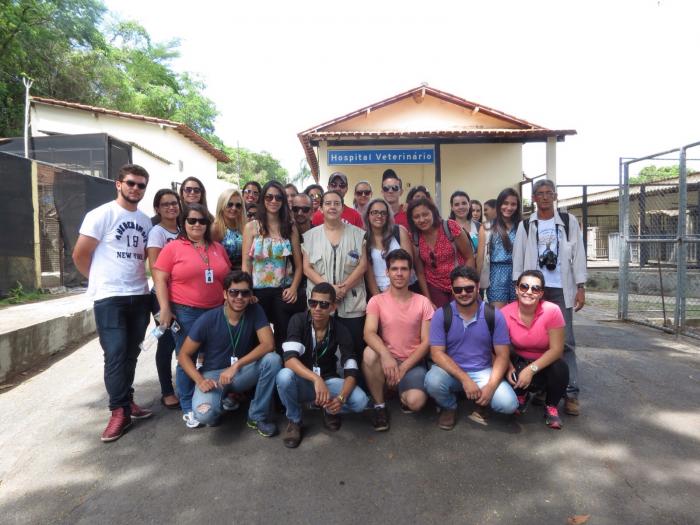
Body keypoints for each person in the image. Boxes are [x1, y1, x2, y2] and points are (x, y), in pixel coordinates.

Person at [72, 164, 153, 442]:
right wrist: (100, 281)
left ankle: (127, 400)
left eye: (141, 185)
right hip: (110, 298)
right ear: (119, 183)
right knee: (116, 353)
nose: (136, 189)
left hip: (139, 294)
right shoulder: (101, 215)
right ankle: (118, 411)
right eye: (131, 183)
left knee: (131, 353)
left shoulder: (144, 221)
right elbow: (80, 255)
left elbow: (143, 257)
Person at [153, 203, 231, 428]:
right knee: (186, 357)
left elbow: (225, 278)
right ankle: (188, 405)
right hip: (186, 311)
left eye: (202, 221)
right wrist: (165, 309)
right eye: (192, 221)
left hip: (217, 310)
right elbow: (160, 279)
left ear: (208, 224)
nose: (197, 225)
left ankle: (213, 397)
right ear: (183, 223)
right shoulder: (173, 248)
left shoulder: (217, 248)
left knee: (215, 356)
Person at [512, 179, 586, 416]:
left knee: (566, 342)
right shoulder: (527, 225)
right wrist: (520, 288)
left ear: (555, 196)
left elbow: (578, 254)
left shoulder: (567, 221)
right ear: (533, 198)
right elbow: (518, 257)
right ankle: (544, 387)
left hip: (561, 288)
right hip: (535, 291)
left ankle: (571, 393)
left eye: (548, 193)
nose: (544, 197)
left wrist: (580, 286)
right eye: (539, 193)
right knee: (539, 340)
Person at [178, 271, 281, 435]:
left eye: (245, 293)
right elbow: (183, 355)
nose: (239, 297)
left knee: (273, 359)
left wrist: (237, 365)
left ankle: (257, 415)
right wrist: (200, 380)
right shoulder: (208, 319)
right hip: (213, 376)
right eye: (234, 292)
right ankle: (222, 400)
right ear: (225, 294)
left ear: (251, 295)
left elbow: (268, 344)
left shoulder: (255, 310)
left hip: (240, 372)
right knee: (205, 416)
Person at [424, 266, 518, 430]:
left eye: (469, 288)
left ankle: (481, 398)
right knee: (432, 381)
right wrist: (465, 379)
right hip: (452, 371)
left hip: (483, 371)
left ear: (477, 287)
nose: (464, 293)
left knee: (509, 404)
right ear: (452, 290)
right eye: (458, 289)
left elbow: (503, 355)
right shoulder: (441, 314)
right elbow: (436, 353)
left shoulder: (493, 314)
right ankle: (449, 406)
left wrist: (490, 386)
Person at [276, 283, 369, 448]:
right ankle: (295, 420)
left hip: (328, 382)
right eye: (313, 303)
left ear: (333, 307)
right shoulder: (298, 321)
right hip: (304, 380)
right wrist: (315, 379)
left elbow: (351, 369)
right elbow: (289, 359)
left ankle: (328, 408)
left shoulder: (341, 329)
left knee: (361, 401)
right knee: (284, 376)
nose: (317, 308)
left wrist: (340, 398)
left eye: (324, 304)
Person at [363, 249, 434, 431]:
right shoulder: (376, 301)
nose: (399, 273)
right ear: (387, 272)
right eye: (394, 269)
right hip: (387, 361)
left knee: (416, 403)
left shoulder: (423, 302)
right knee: (369, 353)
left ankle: (399, 391)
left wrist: (403, 368)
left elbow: (427, 342)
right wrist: (386, 356)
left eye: (404, 269)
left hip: (412, 362)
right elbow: (369, 333)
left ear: (411, 272)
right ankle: (379, 406)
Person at [302, 190, 368, 358]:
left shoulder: (358, 234)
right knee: (322, 350)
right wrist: (330, 290)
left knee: (354, 349)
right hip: (321, 304)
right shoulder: (310, 237)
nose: (332, 207)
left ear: (342, 208)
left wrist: (343, 289)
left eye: (337, 203)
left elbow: (362, 266)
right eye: (328, 203)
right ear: (321, 209)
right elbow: (307, 268)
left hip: (351, 302)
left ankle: (355, 381)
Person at [501, 270, 569, 429]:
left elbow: (557, 350)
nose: (529, 292)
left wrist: (531, 369)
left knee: (560, 368)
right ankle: (521, 396)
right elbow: (499, 347)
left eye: (535, 289)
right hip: (519, 361)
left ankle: (551, 406)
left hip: (545, 363)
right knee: (509, 363)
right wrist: (508, 367)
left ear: (541, 293)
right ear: (516, 289)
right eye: (524, 287)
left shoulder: (552, 311)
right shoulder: (505, 312)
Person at [242, 180, 302, 353]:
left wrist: (293, 288)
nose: (273, 201)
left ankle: (283, 376)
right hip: (257, 293)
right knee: (256, 339)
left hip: (281, 292)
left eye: (278, 197)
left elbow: (299, 265)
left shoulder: (289, 228)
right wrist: (248, 291)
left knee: (282, 338)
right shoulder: (251, 227)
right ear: (262, 199)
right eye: (269, 197)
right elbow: (246, 262)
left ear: (283, 201)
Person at [146, 189, 181, 409]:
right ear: (157, 209)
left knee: (185, 342)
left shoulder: (182, 230)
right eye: (165, 204)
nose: (171, 207)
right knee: (167, 342)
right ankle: (167, 391)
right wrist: (165, 306)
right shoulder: (157, 233)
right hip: (162, 298)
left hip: (181, 296)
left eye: (174, 203)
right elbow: (156, 270)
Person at [407, 197, 475, 307]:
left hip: (459, 281)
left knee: (462, 317)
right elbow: (420, 272)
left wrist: (467, 284)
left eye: (425, 214)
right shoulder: (414, 237)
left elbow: (469, 257)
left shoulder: (450, 227)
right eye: (416, 217)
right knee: (442, 318)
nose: (422, 219)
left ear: (433, 213)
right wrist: (428, 300)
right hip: (434, 285)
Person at [476, 188, 521, 308]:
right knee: (498, 316)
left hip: (518, 274)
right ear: (499, 204)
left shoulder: (522, 226)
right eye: (505, 203)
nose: (509, 207)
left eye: (513, 204)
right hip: (496, 274)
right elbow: (480, 258)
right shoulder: (487, 227)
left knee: (517, 314)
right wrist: (476, 283)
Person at [363, 198, 415, 297]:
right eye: (374, 212)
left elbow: (409, 264)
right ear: (368, 215)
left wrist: (392, 291)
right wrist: (379, 298)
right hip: (378, 292)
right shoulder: (364, 239)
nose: (379, 216)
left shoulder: (399, 231)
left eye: (383, 213)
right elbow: (369, 275)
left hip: (405, 288)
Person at [212, 188, 246, 270]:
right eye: (229, 204)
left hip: (243, 275)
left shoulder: (244, 227)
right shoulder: (216, 228)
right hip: (225, 276)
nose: (234, 208)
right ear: (222, 205)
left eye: (238, 205)